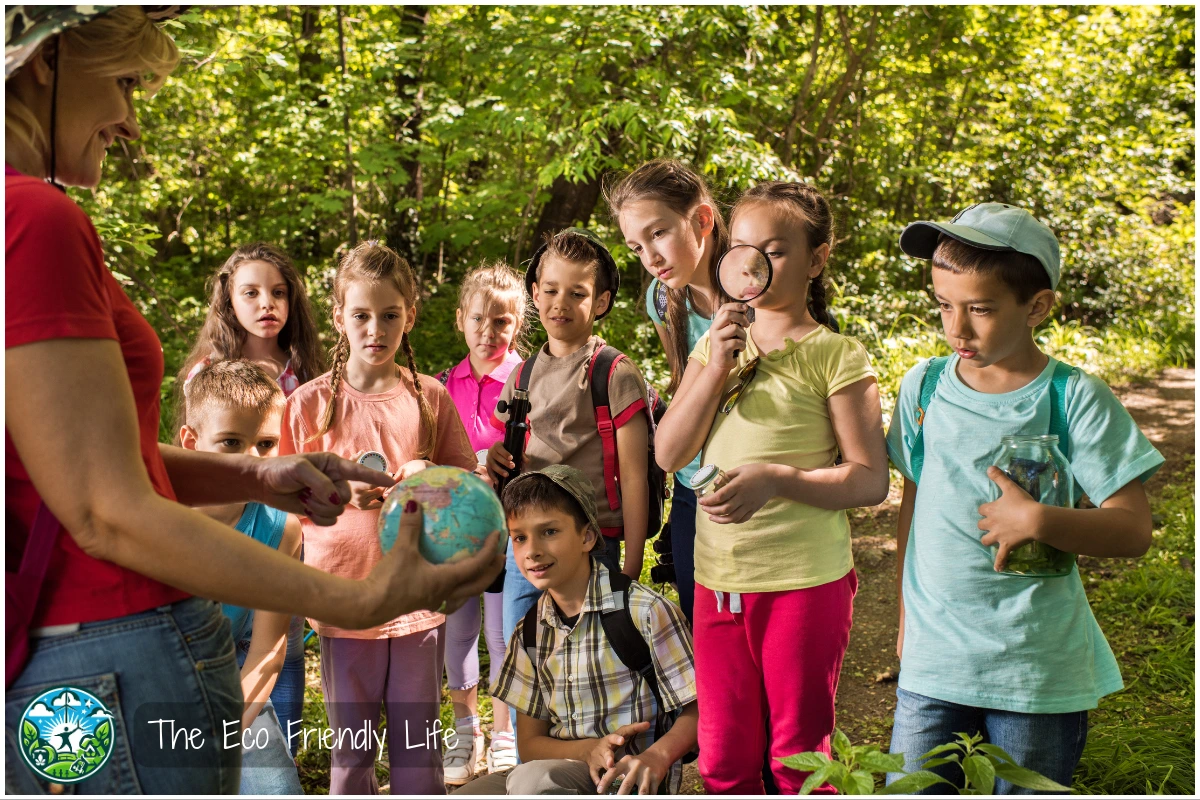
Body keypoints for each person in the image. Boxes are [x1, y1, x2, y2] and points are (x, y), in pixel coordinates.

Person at [4, 8, 501, 794]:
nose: (131, 123)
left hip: (63, 654)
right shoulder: (34, 217)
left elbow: (79, 463)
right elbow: (103, 510)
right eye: (126, 82)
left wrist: (253, 479)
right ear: (46, 59)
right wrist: (359, 597)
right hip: (115, 650)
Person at [884, 203, 1164, 793]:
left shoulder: (1073, 397)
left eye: (980, 309)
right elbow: (915, 500)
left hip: (1034, 671)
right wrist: (906, 616)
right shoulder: (925, 386)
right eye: (943, 305)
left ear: (1037, 306)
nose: (956, 328)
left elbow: (1134, 530)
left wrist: (1039, 518)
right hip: (933, 664)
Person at [655, 181, 890, 794]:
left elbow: (869, 480)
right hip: (718, 581)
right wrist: (717, 367)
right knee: (723, 760)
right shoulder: (715, 344)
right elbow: (668, 452)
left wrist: (777, 479)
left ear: (817, 259)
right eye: (741, 248)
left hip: (803, 584)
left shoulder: (835, 355)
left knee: (797, 758)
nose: (754, 264)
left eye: (776, 252)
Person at [279, 240, 480, 795]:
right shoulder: (309, 405)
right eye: (362, 314)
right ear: (339, 315)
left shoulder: (431, 400)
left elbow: (471, 492)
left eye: (390, 315)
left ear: (409, 316)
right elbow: (282, 501)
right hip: (343, 600)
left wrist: (426, 476)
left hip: (416, 601)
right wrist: (335, 495)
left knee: (418, 756)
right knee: (352, 753)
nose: (376, 328)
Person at [455, 466, 698, 795]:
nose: (533, 550)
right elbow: (529, 745)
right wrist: (585, 750)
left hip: (623, 780)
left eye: (549, 532)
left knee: (532, 783)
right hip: (560, 772)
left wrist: (657, 756)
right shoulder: (529, 632)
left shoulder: (645, 612)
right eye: (520, 538)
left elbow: (700, 709)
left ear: (587, 536)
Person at [177, 241, 325, 754]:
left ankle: (276, 738)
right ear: (229, 302)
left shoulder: (305, 371)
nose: (267, 303)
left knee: (277, 643)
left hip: (280, 528)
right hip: (218, 537)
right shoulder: (210, 371)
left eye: (278, 292)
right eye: (252, 292)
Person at [486, 229, 653, 658]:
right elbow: (509, 455)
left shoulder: (613, 373)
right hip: (525, 547)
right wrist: (496, 456)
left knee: (589, 661)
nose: (561, 302)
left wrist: (630, 568)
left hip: (591, 545)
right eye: (551, 289)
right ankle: (528, 729)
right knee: (524, 656)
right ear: (534, 296)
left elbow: (635, 478)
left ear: (600, 302)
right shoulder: (520, 378)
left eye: (576, 292)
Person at [605, 158, 729, 627]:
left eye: (658, 234)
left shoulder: (760, 286)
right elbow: (686, 386)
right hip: (695, 480)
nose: (650, 258)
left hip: (757, 479)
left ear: (701, 219)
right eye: (637, 247)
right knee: (702, 621)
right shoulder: (663, 300)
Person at [179, 360, 303, 795]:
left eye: (266, 444)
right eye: (231, 442)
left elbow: (268, 649)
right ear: (191, 442)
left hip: (233, 671)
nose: (252, 459)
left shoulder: (280, 527)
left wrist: (226, 733)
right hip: (157, 664)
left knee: (276, 788)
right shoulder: (156, 509)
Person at [435, 262, 528, 782]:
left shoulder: (525, 379)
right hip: (457, 527)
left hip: (510, 525)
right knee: (459, 631)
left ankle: (506, 734)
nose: (489, 332)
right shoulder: (446, 382)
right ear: (460, 320)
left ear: (517, 325)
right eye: (479, 320)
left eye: (502, 321)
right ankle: (465, 733)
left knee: (503, 633)